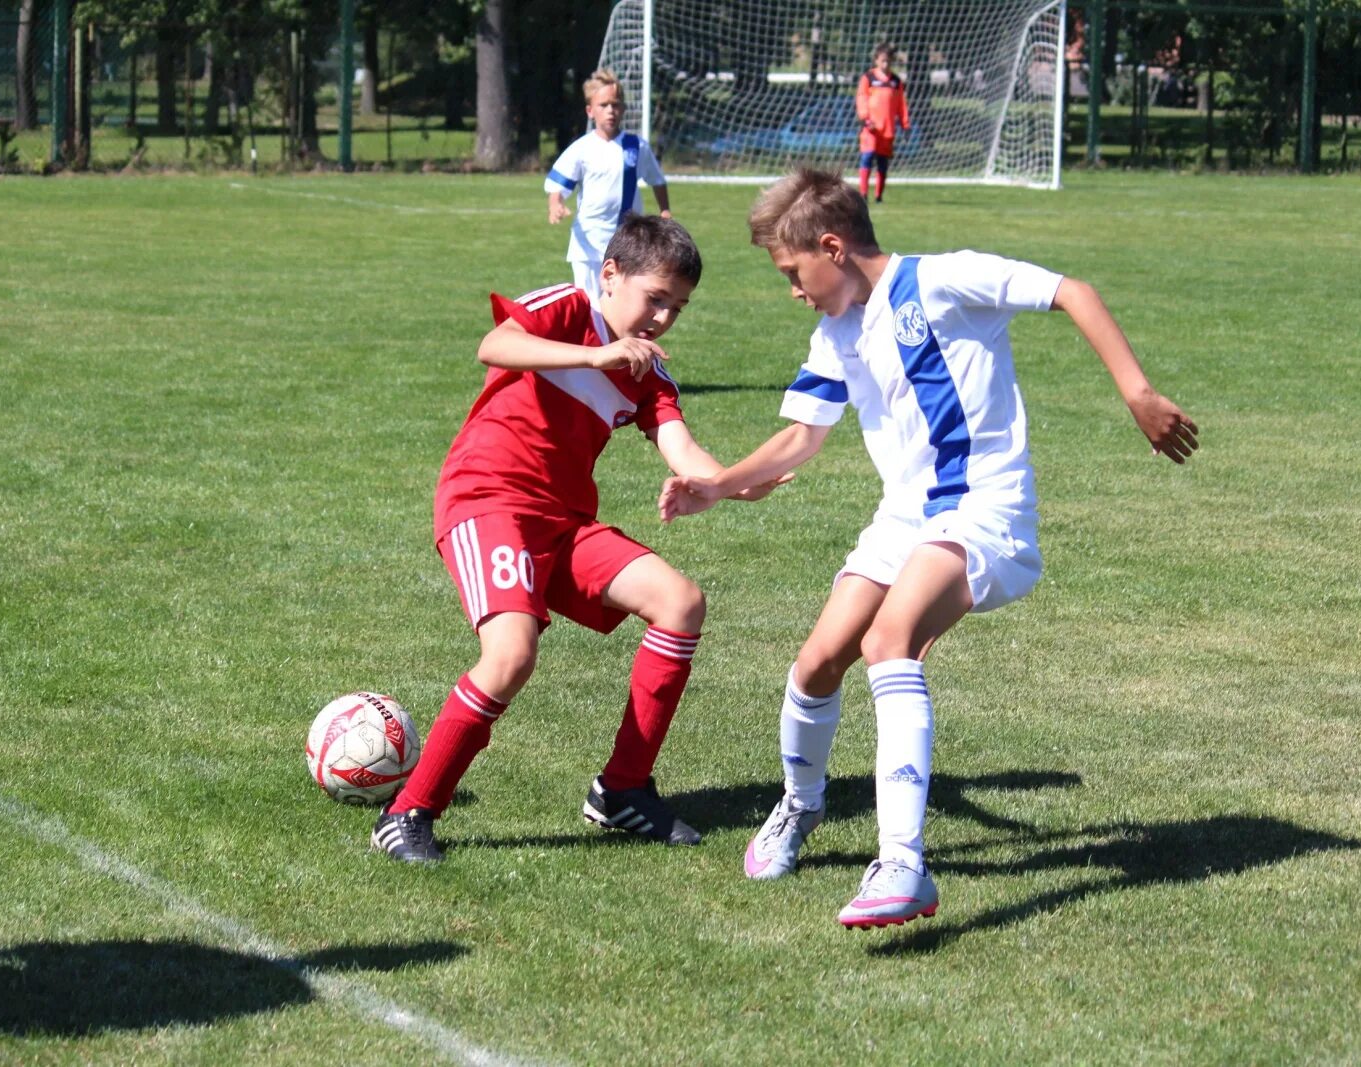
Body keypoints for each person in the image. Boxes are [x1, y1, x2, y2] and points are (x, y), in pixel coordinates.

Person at [659, 169, 1198, 927]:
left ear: (833, 247)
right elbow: (799, 439)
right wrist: (719, 483)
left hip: (985, 513)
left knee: (889, 640)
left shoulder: (945, 281)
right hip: (903, 519)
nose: (793, 290)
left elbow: (1072, 290)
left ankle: (903, 865)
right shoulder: (836, 330)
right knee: (815, 664)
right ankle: (800, 807)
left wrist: (1138, 392)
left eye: (792, 272)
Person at [373, 215, 786, 865]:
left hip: (564, 522)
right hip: (489, 502)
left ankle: (621, 788)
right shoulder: (566, 309)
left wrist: (737, 483)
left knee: (680, 601)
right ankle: (407, 812)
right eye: (656, 298)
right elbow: (496, 344)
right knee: (511, 655)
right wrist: (593, 354)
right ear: (610, 276)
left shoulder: (649, 373)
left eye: (678, 307)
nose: (663, 319)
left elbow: (684, 451)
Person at [545, 68, 672, 299]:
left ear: (623, 109)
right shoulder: (581, 149)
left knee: (623, 303)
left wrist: (664, 210)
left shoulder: (636, 146)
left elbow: (657, 179)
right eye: (603, 105)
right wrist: (555, 204)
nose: (610, 111)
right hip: (588, 242)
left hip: (627, 241)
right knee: (589, 304)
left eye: (615, 104)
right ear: (590, 111)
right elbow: (558, 184)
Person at [856, 43, 910, 204]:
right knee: (867, 157)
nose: (885, 64)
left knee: (882, 162)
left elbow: (901, 105)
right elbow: (862, 98)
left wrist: (905, 124)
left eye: (888, 61)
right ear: (876, 61)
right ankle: (863, 194)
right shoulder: (868, 78)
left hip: (887, 129)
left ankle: (879, 196)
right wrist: (866, 118)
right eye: (883, 61)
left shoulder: (895, 81)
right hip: (871, 128)